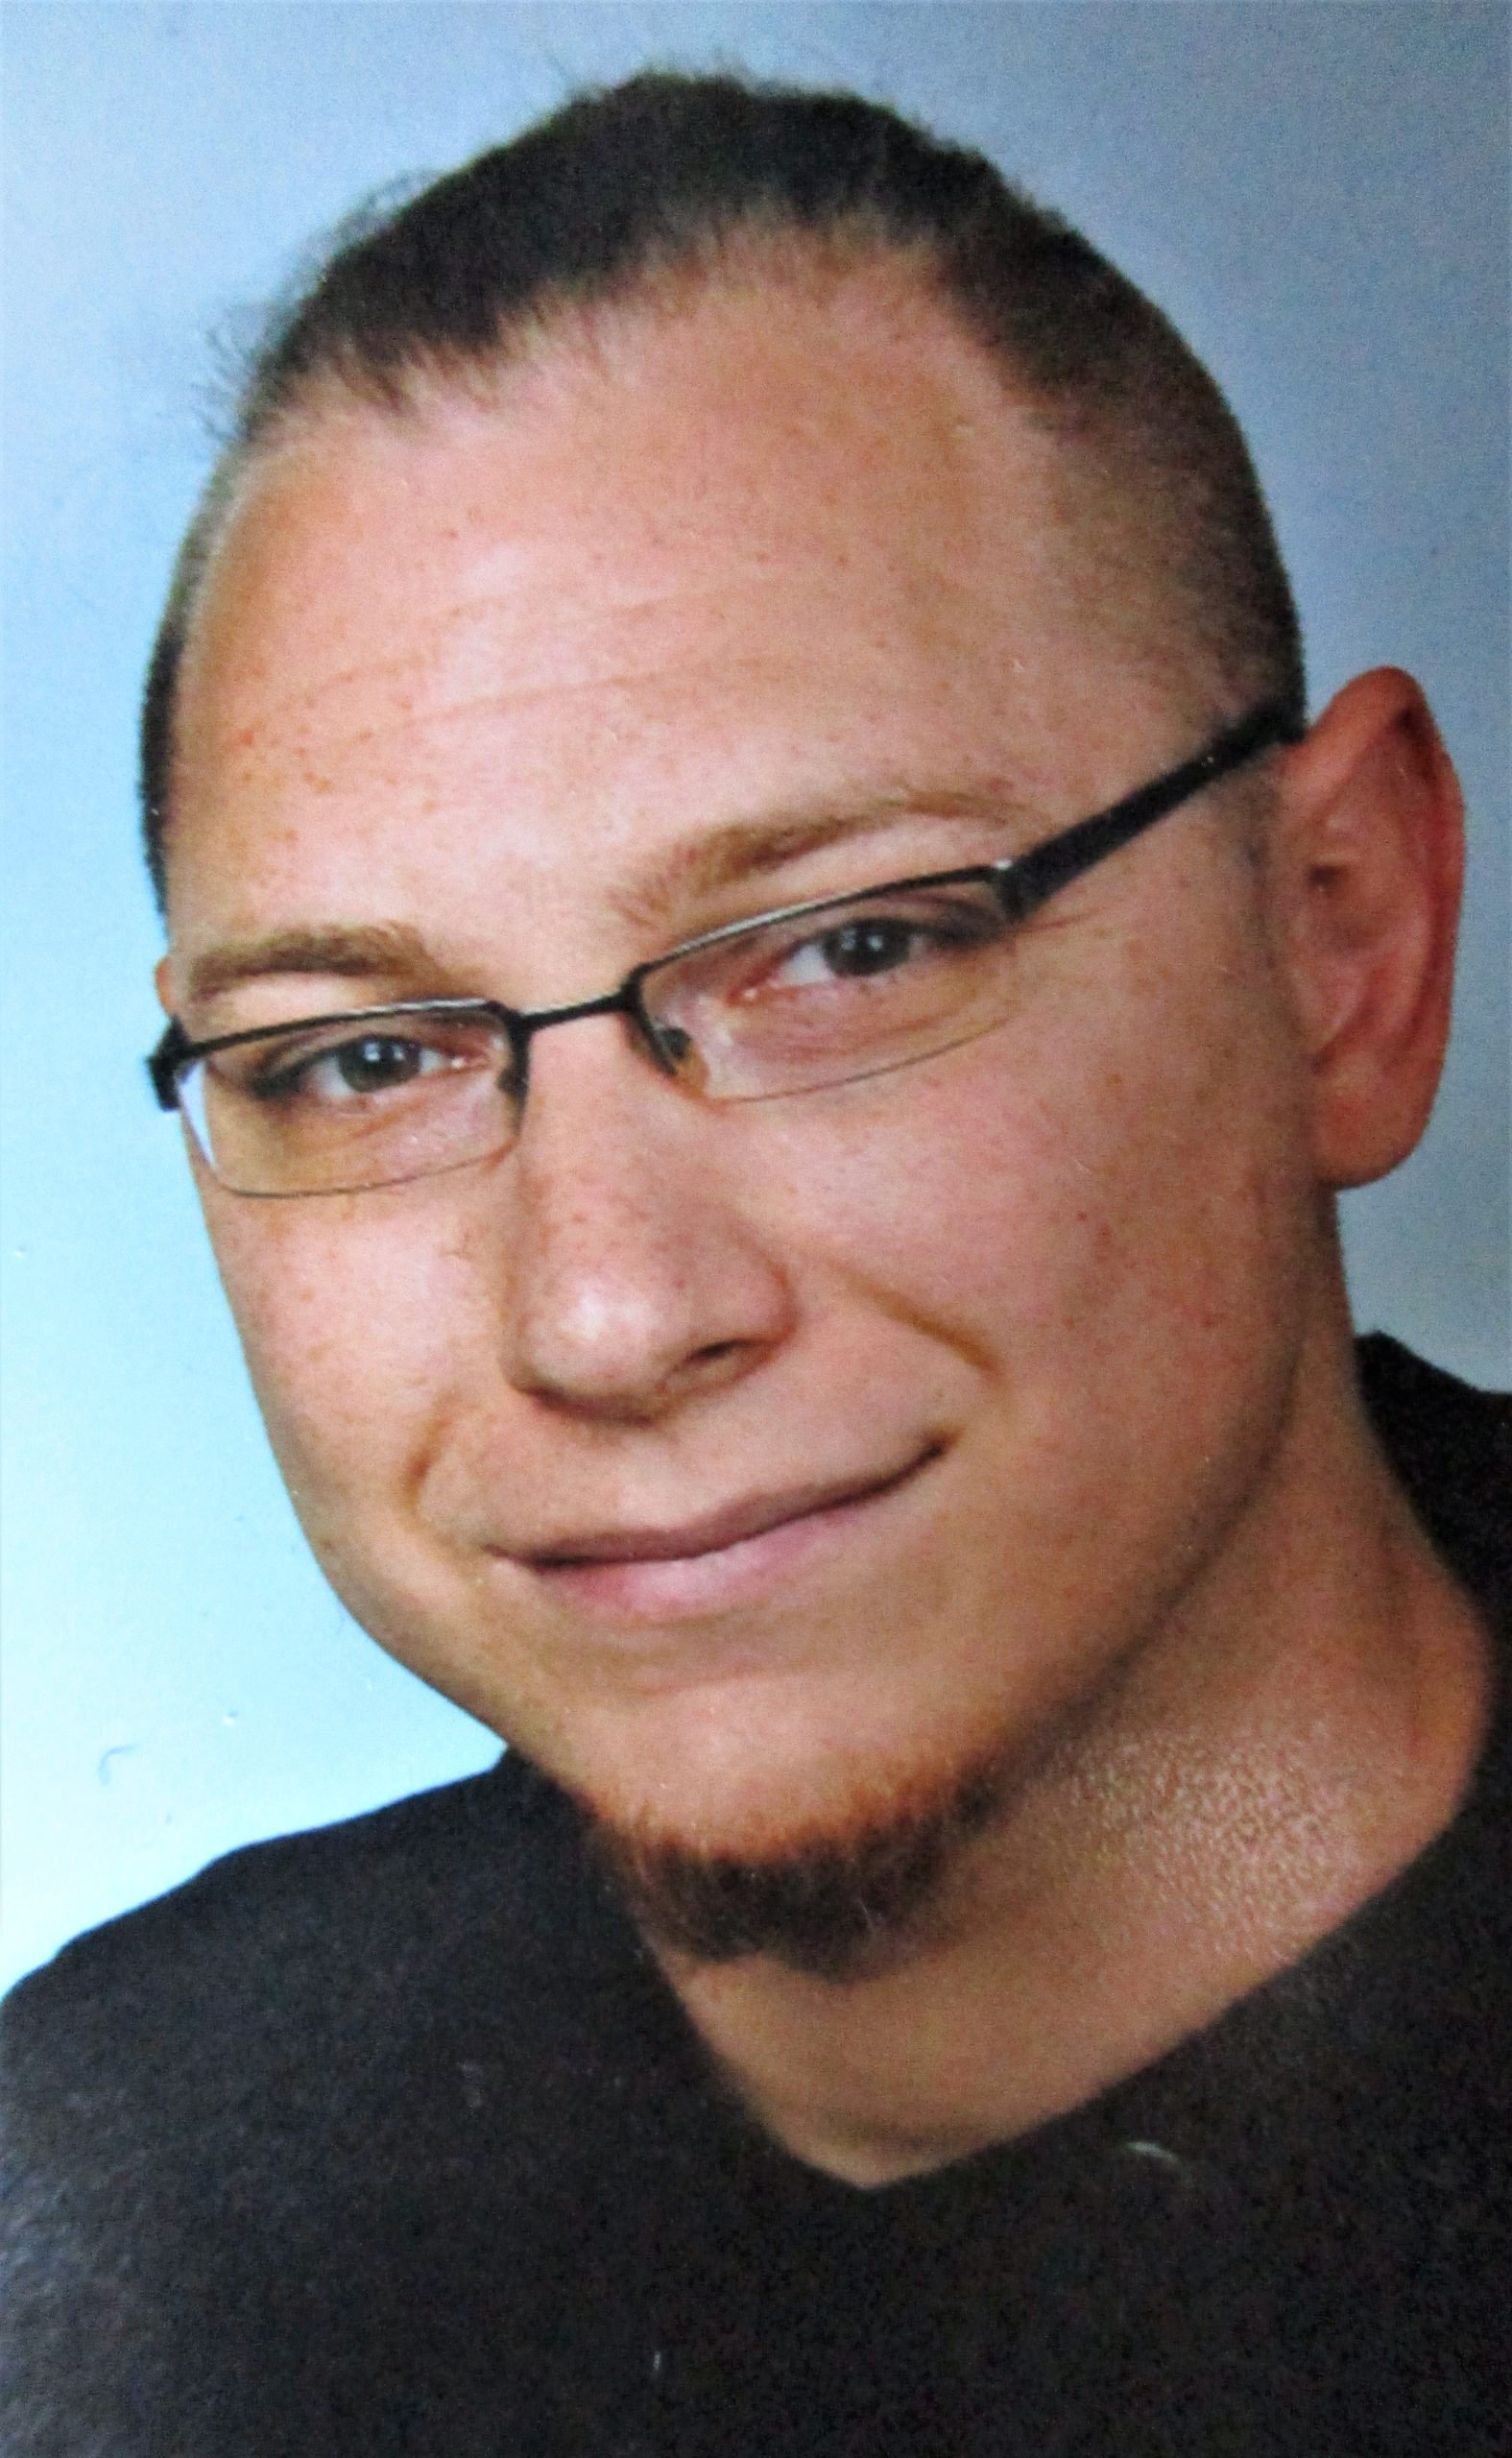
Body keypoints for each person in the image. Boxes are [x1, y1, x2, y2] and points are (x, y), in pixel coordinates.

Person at [2, 71, 1506, 2458]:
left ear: (1340, 942)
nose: (604, 1313)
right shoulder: (96, 2212)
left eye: (849, 946)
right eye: (364, 1056)